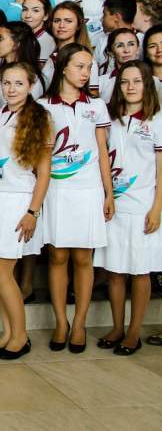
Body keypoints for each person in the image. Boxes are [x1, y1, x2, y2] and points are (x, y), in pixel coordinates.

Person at [40, 44, 114, 354]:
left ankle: (80, 323)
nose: (85, 73)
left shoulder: (96, 105)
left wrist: (109, 193)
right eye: (80, 66)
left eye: (89, 68)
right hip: (56, 190)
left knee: (84, 258)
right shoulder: (43, 106)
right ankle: (61, 322)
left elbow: (102, 152)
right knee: (57, 257)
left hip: (88, 189)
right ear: (63, 67)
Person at [0, 62, 52, 360]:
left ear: (31, 85)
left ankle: (21, 336)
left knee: (0, 271)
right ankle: (7, 333)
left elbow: (44, 172)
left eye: (18, 83)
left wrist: (32, 212)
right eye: (6, 83)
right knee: (0, 273)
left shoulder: (38, 116)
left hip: (17, 200)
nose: (11, 89)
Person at [96, 61, 162, 355]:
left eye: (137, 81)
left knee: (139, 271)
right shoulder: (111, 120)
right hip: (114, 205)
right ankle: (117, 327)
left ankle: (134, 332)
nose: (131, 87)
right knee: (115, 271)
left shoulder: (157, 120)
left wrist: (157, 208)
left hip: (143, 206)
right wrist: (107, 196)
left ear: (147, 85)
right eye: (125, 82)